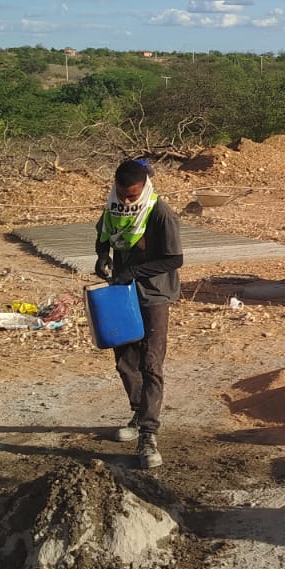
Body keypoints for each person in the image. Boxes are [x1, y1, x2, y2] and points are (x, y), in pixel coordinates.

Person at [95, 158, 183, 469]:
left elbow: (174, 259)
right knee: (124, 359)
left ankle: (148, 433)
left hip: (154, 294)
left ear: (144, 187)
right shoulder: (113, 207)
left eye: (133, 195)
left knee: (150, 362)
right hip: (122, 292)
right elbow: (103, 237)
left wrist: (133, 270)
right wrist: (102, 257)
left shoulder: (160, 213)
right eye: (123, 195)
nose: (128, 201)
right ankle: (138, 410)